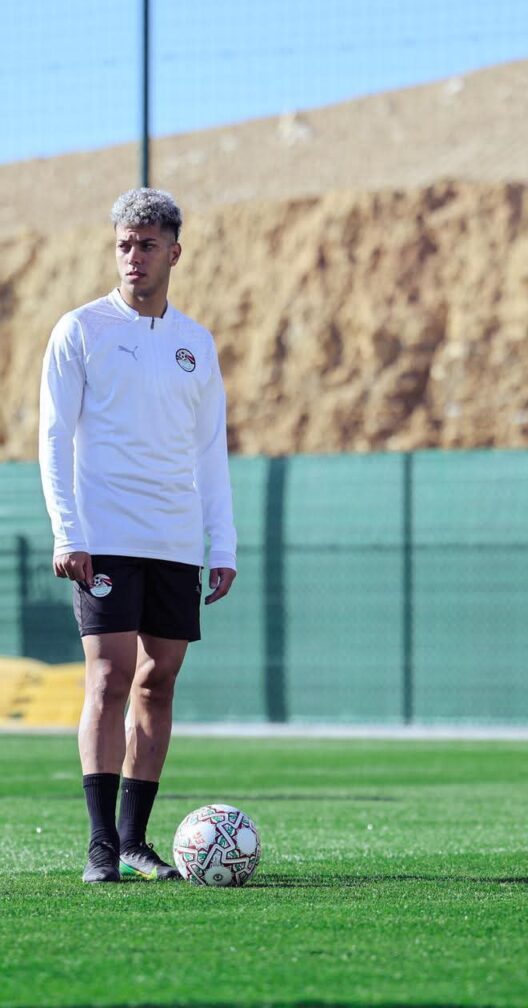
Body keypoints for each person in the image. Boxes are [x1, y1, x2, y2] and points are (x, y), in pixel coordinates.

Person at [39, 188, 237, 883]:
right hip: (104, 534)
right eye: (125, 244)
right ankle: (100, 845)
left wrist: (222, 543)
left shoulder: (195, 342)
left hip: (175, 539)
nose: (134, 256)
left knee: (159, 681)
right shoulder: (81, 329)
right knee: (110, 675)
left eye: (147, 244)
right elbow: (54, 437)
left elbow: (210, 449)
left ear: (173, 253)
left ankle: (133, 839)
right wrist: (67, 531)